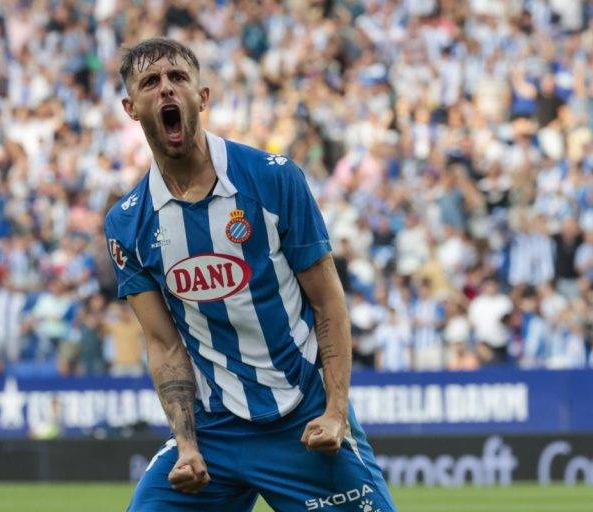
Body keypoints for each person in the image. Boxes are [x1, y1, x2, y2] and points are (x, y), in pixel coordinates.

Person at [104, 39, 395, 512]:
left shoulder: (273, 178)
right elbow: (162, 344)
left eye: (178, 78)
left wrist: (336, 412)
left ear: (203, 97)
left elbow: (328, 301)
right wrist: (187, 445)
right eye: (150, 83)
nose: (166, 90)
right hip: (215, 429)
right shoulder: (127, 223)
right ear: (131, 108)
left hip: (300, 417)